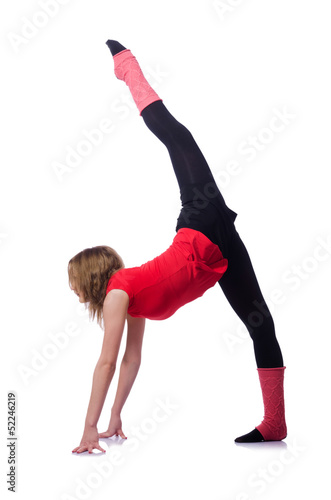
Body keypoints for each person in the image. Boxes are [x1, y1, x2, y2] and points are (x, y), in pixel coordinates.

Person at [70, 40, 287, 454]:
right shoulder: (128, 301)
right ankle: (275, 424)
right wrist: (115, 417)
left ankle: (127, 67)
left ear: (91, 278)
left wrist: (88, 428)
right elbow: (131, 361)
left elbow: (107, 364)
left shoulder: (118, 292)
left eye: (74, 284)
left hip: (200, 224)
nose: (74, 292)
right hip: (218, 256)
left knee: (176, 136)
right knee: (261, 323)